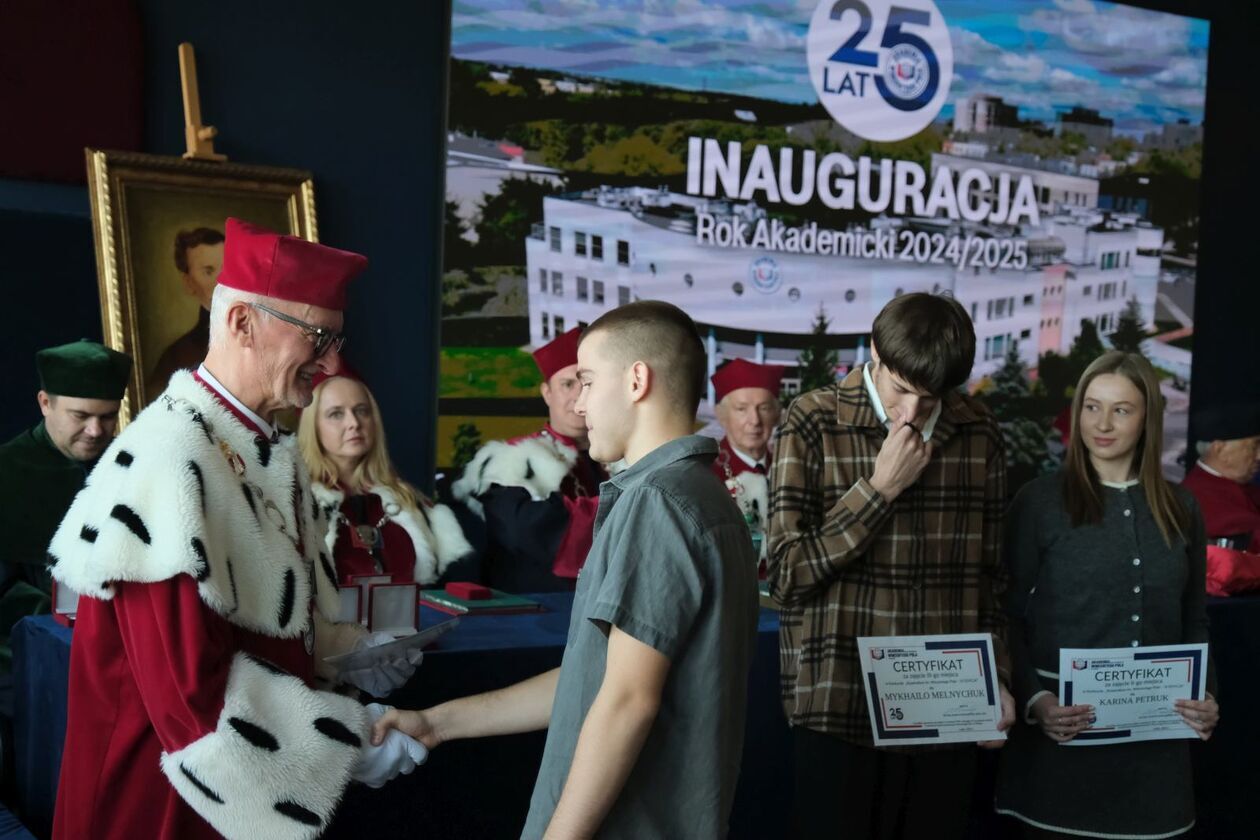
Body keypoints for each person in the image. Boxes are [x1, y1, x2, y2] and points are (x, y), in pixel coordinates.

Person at [46, 218, 426, 840]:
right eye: (317, 337)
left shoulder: (264, 448)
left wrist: (345, 651)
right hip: (159, 802)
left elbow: (258, 623)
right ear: (242, 323)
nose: (332, 362)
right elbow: (187, 701)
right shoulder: (169, 457)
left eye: (337, 339)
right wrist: (344, 744)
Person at [374, 301, 759, 838]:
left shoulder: (658, 502)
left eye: (586, 381)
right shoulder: (703, 495)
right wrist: (436, 723)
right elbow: (594, 679)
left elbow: (627, 700)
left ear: (636, 381)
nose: (578, 404)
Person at [767, 292, 1015, 840]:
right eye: (901, 389)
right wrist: (879, 490)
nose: (913, 412)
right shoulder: (811, 419)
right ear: (874, 352)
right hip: (838, 700)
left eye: (932, 398)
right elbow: (785, 575)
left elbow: (992, 581)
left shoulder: (979, 431)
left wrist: (998, 678)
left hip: (945, 706)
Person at [995, 350, 1218, 839]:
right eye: (1092, 407)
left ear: (1148, 419)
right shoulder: (1039, 502)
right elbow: (1006, 616)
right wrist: (1036, 700)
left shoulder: (1183, 507)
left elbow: (1194, 620)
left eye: (1122, 409)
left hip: (1155, 761)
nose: (1103, 423)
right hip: (1059, 750)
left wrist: (1207, 695)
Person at [0, 339, 131, 671]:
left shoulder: (135, 467)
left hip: (125, 653)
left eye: (108, 416)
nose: (95, 430)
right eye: (81, 416)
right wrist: (74, 623)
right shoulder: (6, 470)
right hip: (31, 660)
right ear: (45, 403)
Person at [452, 326, 607, 592]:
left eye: (587, 384)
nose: (579, 395)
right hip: (537, 606)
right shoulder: (512, 460)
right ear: (546, 392)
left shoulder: (619, 458)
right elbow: (526, 532)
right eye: (567, 384)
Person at [298, 367, 472, 586]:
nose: (354, 423)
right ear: (313, 427)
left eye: (361, 410)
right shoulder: (298, 503)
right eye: (336, 414)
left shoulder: (408, 502)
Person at [710, 357, 784, 564]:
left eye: (764, 408)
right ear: (721, 415)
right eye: (742, 409)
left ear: (777, 415)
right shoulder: (705, 472)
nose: (755, 421)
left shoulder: (788, 467)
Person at [147, 227, 225, 401]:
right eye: (209, 271)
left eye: (227, 269)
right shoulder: (176, 357)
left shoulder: (265, 339)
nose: (222, 281)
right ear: (189, 282)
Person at [1181, 403, 1260, 551]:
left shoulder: (1246, 488)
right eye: (1254, 446)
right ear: (1220, 449)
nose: (1259, 456)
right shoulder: (1194, 501)